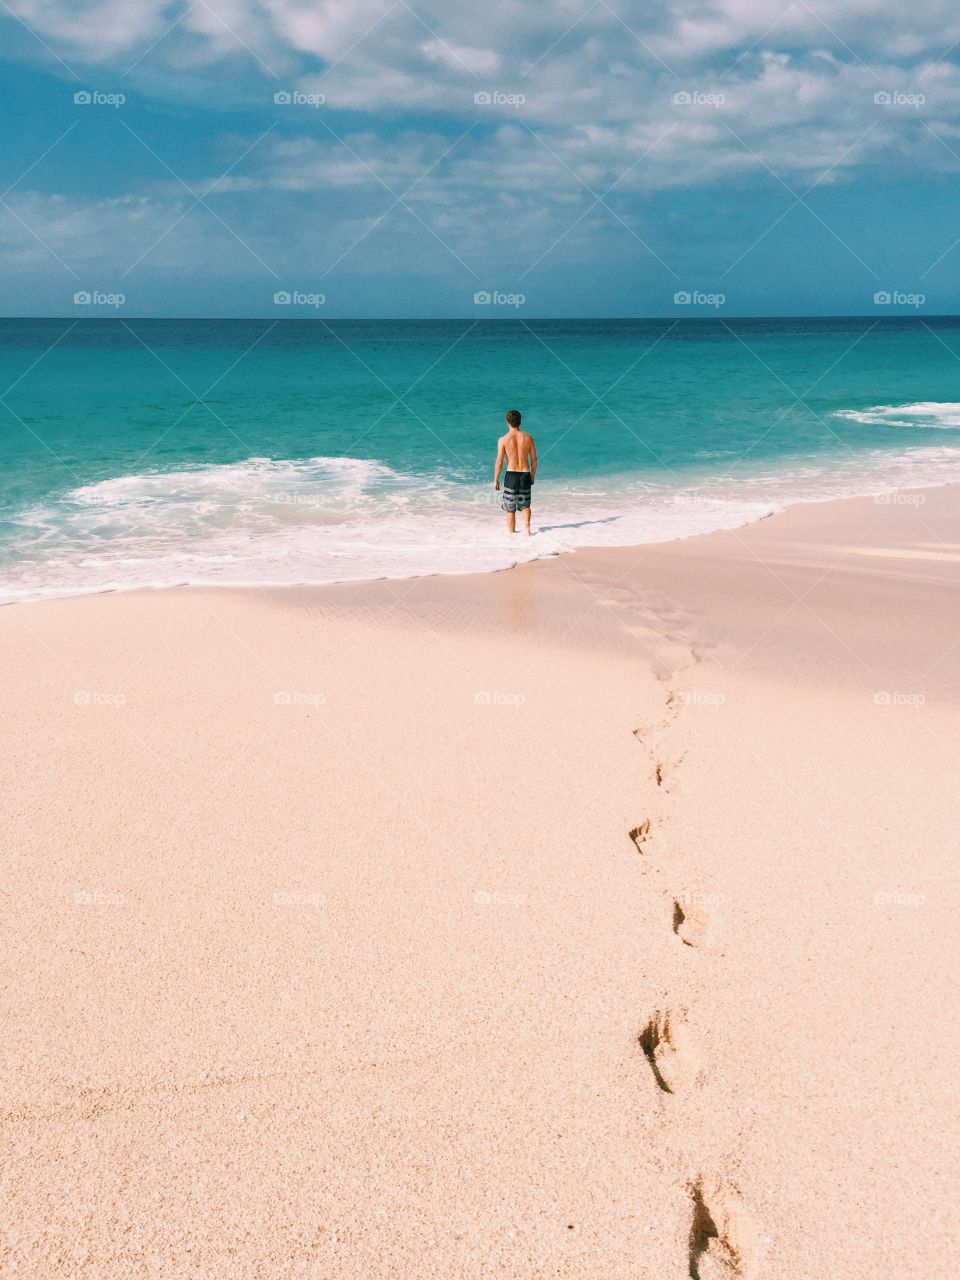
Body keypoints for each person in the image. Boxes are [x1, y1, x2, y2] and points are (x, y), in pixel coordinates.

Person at [493, 409, 537, 535]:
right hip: (525, 474)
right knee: (525, 505)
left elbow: (499, 462)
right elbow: (534, 459)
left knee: (510, 508)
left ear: (507, 422)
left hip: (511, 476)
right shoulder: (528, 438)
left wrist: (496, 479)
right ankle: (527, 527)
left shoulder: (503, 440)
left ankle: (511, 534)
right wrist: (533, 476)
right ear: (520, 421)